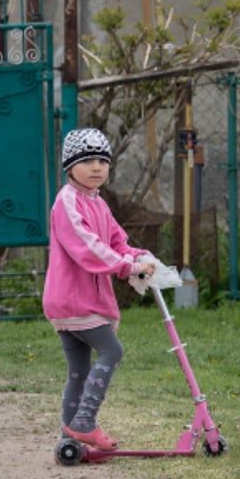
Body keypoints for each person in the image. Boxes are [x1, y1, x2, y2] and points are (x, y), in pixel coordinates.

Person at [43, 128, 155, 451]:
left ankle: (69, 435)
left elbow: (117, 240)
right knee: (112, 351)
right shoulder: (67, 203)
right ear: (69, 166)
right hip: (74, 300)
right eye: (88, 161)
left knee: (79, 368)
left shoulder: (97, 203)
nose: (96, 167)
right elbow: (89, 248)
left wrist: (140, 256)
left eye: (102, 161)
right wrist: (127, 267)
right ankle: (84, 423)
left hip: (76, 301)